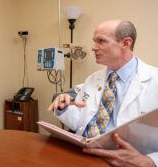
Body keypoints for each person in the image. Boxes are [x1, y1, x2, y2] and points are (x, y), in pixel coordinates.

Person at [48, 20, 158, 166]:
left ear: (125, 43)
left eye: (101, 41)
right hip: (85, 155)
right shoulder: (94, 79)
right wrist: (65, 107)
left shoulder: (154, 80)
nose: (93, 48)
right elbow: (80, 122)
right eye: (94, 41)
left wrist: (151, 161)